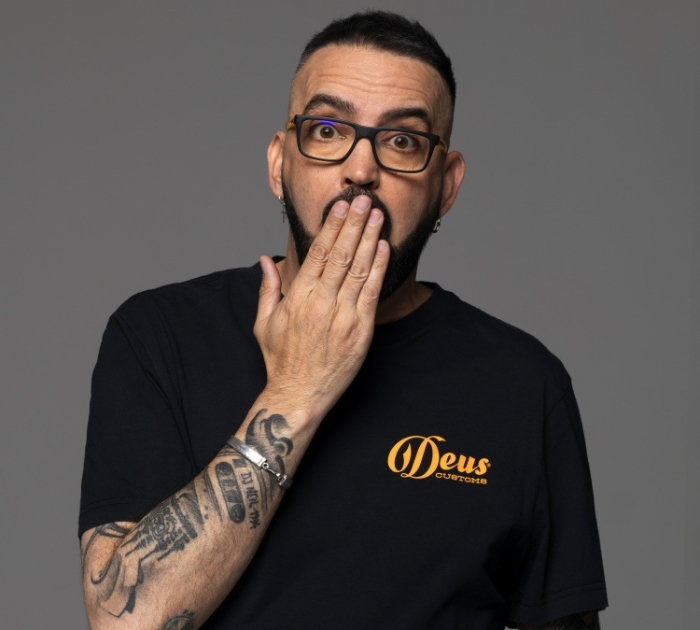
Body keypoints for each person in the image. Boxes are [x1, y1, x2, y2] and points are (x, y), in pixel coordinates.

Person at [79, 11, 607, 630]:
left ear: (446, 186)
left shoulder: (524, 384)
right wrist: (297, 391)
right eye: (327, 130)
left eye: (403, 140)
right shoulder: (159, 336)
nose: (361, 169)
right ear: (279, 164)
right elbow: (125, 621)